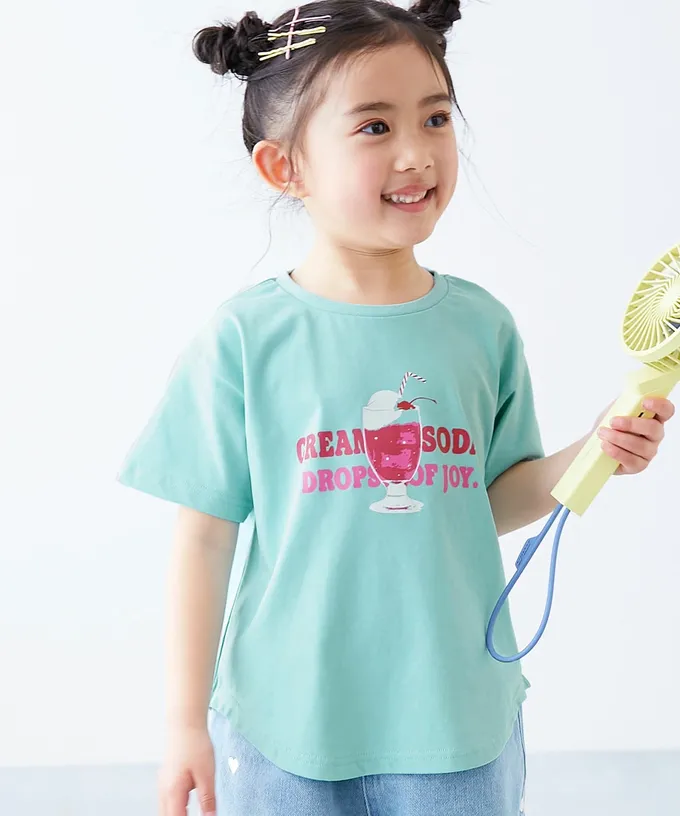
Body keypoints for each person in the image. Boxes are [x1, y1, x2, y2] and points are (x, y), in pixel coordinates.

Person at [116, 2, 676, 814]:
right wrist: (181, 724)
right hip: (284, 724)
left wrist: (592, 450)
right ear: (285, 168)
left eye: (436, 118)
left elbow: (486, 500)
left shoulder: (481, 327)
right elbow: (203, 538)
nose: (417, 153)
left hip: (455, 721)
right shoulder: (245, 339)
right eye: (374, 127)